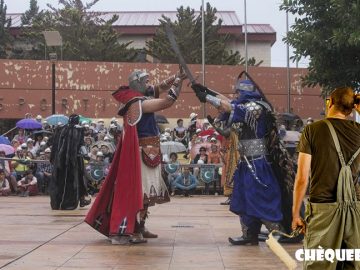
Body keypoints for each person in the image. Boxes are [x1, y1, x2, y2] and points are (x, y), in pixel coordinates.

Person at [192, 75, 297, 245]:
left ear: (246, 92)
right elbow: (229, 109)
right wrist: (207, 91)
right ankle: (250, 234)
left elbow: (229, 106)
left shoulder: (257, 107)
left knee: (261, 195)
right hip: (245, 161)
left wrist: (208, 97)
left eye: (239, 92)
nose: (236, 95)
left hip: (259, 162)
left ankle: (277, 231)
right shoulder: (244, 106)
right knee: (243, 196)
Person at [85, 69, 186, 244]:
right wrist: (178, 83)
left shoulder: (140, 98)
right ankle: (134, 229)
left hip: (150, 151)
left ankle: (141, 225)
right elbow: (167, 101)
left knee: (147, 193)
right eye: (146, 81)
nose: (149, 84)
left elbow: (160, 86)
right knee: (142, 193)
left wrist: (176, 77)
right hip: (140, 154)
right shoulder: (136, 102)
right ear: (138, 83)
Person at [292, 87, 360, 269]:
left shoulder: (312, 130)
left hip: (322, 210)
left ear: (329, 102)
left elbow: (302, 178)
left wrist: (295, 213)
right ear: (352, 108)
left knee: (318, 265)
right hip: (356, 211)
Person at [49, 114, 91, 210]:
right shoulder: (79, 130)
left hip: (60, 161)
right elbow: (81, 144)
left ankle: (59, 202)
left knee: (60, 181)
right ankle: (74, 201)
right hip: (73, 161)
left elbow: (53, 144)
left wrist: (53, 158)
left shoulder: (60, 129)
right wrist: (86, 155)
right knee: (77, 179)